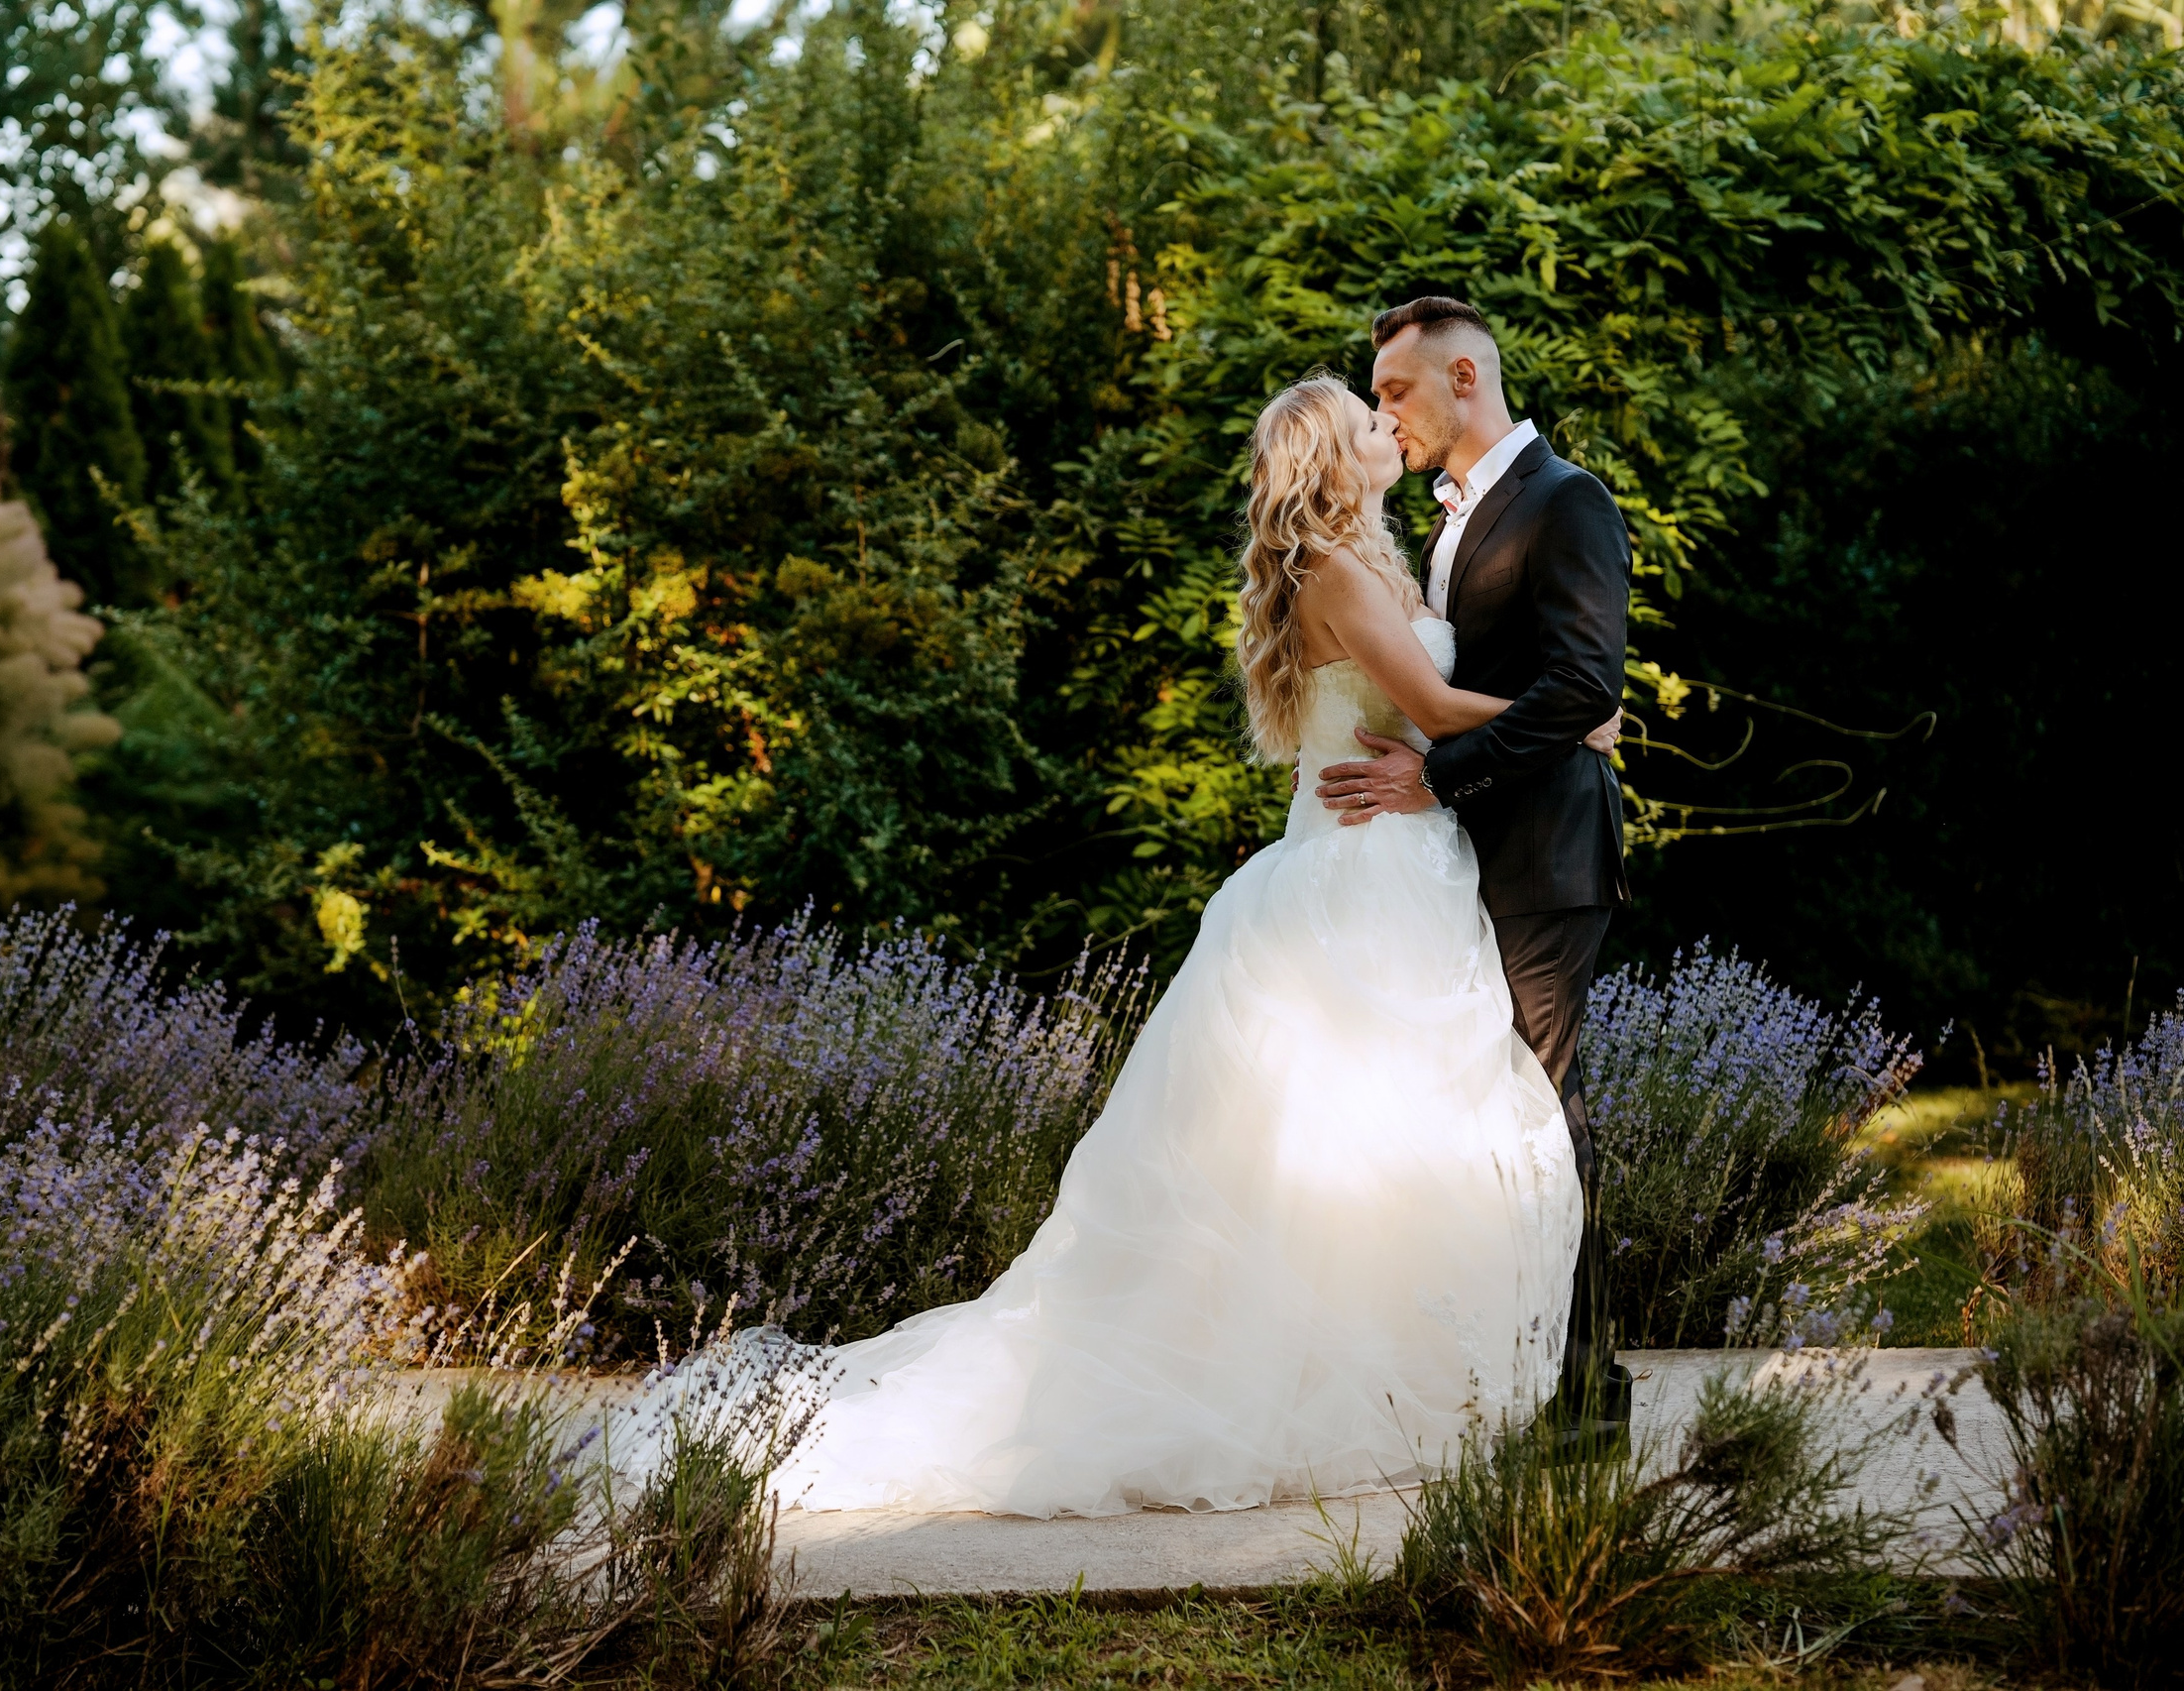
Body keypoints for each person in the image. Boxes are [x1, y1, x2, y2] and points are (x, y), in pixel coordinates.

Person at [601, 343, 1620, 1520]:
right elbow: (1437, 710)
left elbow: (1433, 715)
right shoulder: (1331, 569)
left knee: (1377, 1145)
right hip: (1358, 872)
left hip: (1414, 862)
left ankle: (1394, 1374)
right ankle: (1297, 1386)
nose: (1385, 419)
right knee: (1333, 1139)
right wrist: (1579, 725)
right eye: (1365, 410)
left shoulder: (1386, 559)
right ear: (1330, 454)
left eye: (1388, 398)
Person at [1314, 294, 1635, 1442]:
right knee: (1485, 1124)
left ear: (1463, 378)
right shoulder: (1442, 519)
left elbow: (1585, 685)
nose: (1382, 411)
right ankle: (1508, 1375)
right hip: (1458, 865)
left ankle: (1586, 1400)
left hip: (1545, 855)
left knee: (1546, 1118)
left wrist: (1436, 774)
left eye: (1394, 390)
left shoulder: (1567, 500)